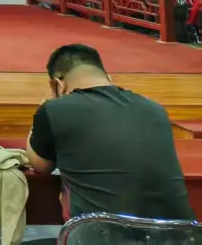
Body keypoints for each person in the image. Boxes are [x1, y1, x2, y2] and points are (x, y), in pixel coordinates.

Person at [25, 43, 195, 221]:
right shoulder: (155, 109)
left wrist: (43, 109)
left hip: (103, 231)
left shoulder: (55, 109)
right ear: (107, 77)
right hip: (179, 231)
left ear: (58, 84)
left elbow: (40, 165)